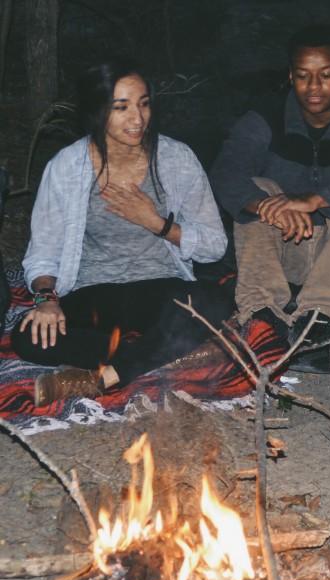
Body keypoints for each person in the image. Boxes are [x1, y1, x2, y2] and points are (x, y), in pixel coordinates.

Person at [13, 59, 231, 407]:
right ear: (97, 110)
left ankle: (106, 376)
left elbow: (214, 246)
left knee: (213, 301)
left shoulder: (176, 159)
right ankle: (166, 355)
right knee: (28, 336)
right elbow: (42, 254)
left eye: (144, 103)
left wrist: (156, 223)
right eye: (122, 107)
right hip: (94, 291)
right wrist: (46, 300)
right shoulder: (67, 167)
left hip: (159, 287)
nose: (138, 118)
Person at [209, 24, 330, 374]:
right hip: (290, 251)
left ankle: (317, 321)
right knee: (258, 186)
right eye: (303, 76)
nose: (314, 87)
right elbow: (226, 170)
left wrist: (316, 200)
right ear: (290, 76)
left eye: (325, 75)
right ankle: (262, 316)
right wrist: (265, 205)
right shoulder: (264, 118)